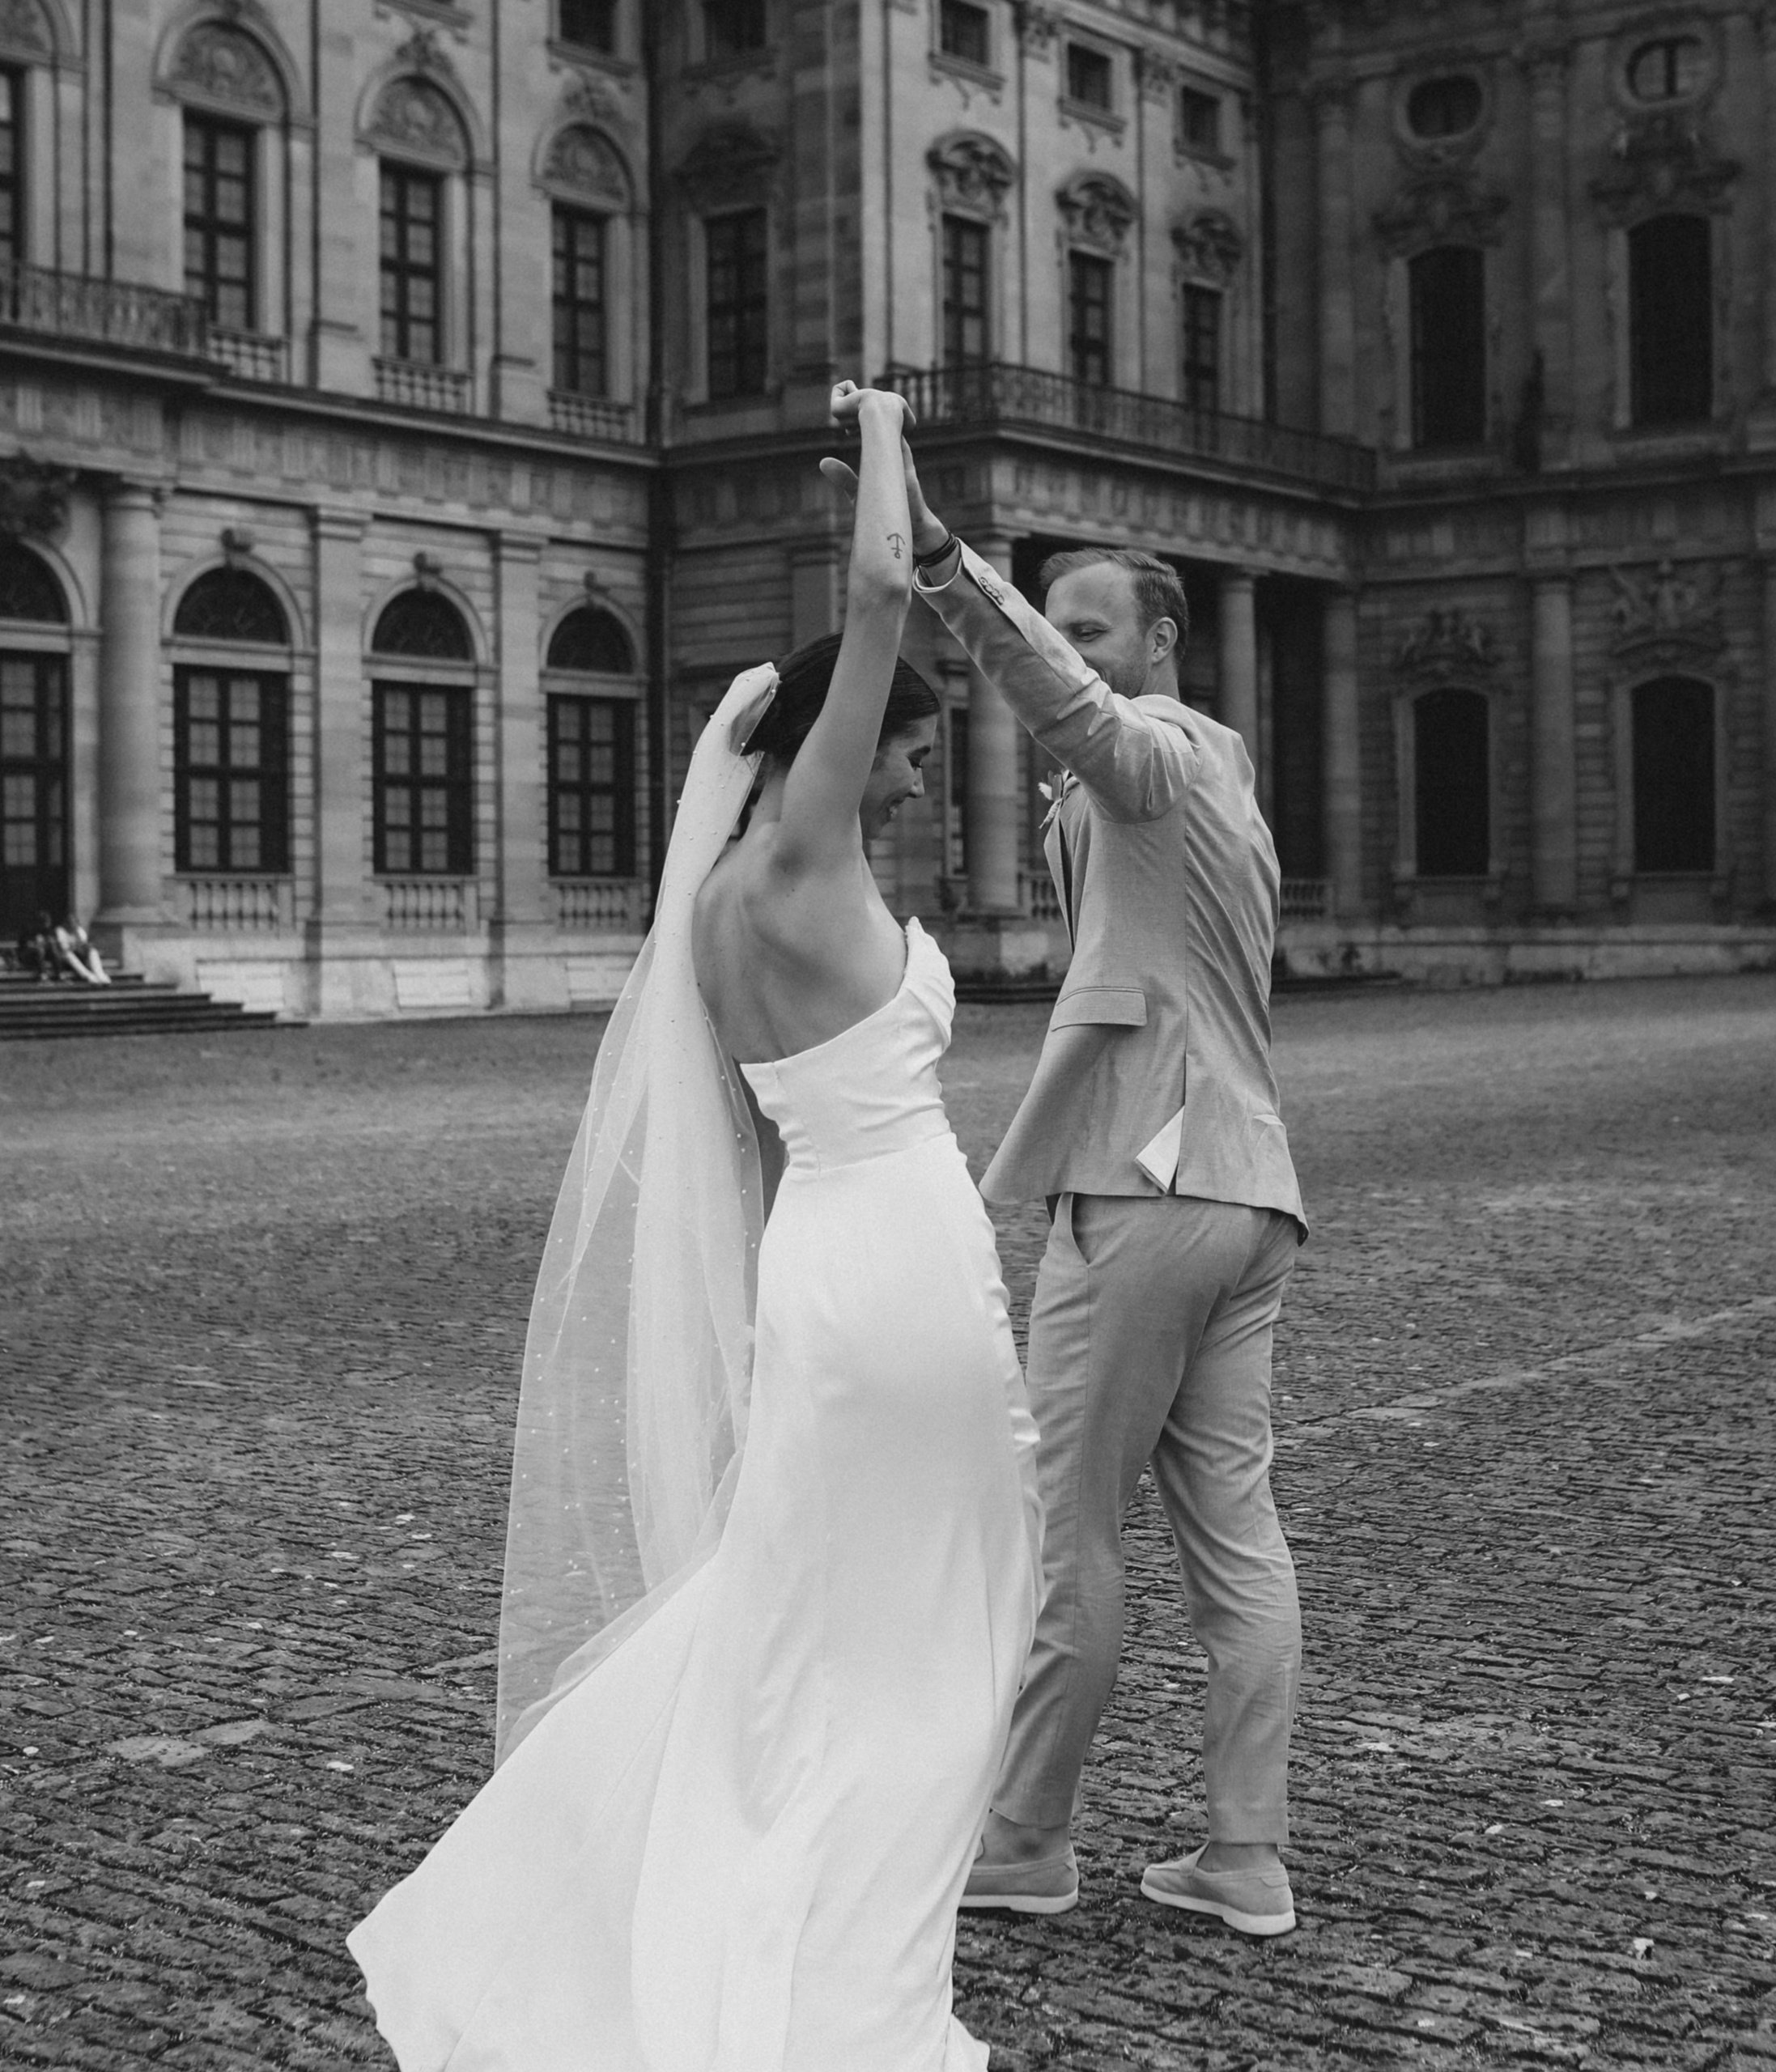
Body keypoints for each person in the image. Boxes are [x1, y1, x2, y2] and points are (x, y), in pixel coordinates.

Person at [348, 382, 1041, 2070]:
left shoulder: (729, 905)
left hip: (828, 1269)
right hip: (894, 1271)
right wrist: (887, 432)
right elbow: (873, 593)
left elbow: (758, 1145)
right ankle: (840, 1970)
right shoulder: (805, 859)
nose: (916, 774)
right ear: (829, 744)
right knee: (947, 1610)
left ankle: (766, 1890)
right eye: (907, 746)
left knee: (811, 1605)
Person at [827, 448, 1308, 1938]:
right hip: (1248, 1191)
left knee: (1063, 1529)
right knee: (1236, 1536)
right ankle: (1245, 1856)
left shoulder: (1156, 751)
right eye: (1060, 625)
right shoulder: (1220, 773)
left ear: (1162, 641)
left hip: (1146, 1186)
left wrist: (949, 569)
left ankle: (1028, 1839)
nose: (1069, 648)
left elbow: (1077, 713)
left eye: (1089, 628)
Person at [52, 914, 110, 985]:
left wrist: (84, 947)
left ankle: (100, 975)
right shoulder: (60, 930)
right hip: (66, 959)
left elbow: (85, 943)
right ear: (66, 922)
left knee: (93, 951)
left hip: (80, 955)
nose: (72, 924)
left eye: (74, 921)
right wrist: (77, 947)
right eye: (70, 922)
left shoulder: (79, 930)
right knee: (69, 954)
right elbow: (64, 948)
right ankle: (88, 976)